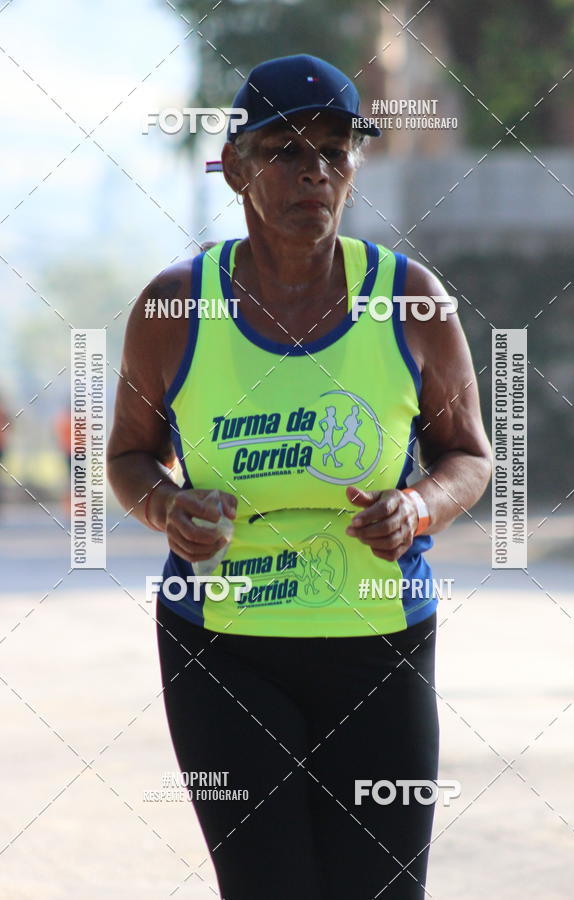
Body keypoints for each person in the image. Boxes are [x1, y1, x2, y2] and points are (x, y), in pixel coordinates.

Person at [108, 54, 492, 900]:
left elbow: (469, 454)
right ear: (237, 166)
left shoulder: (412, 301)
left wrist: (418, 505)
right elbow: (128, 456)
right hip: (223, 653)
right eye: (285, 149)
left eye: (334, 150)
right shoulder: (175, 308)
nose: (313, 170)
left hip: (382, 647)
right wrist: (168, 506)